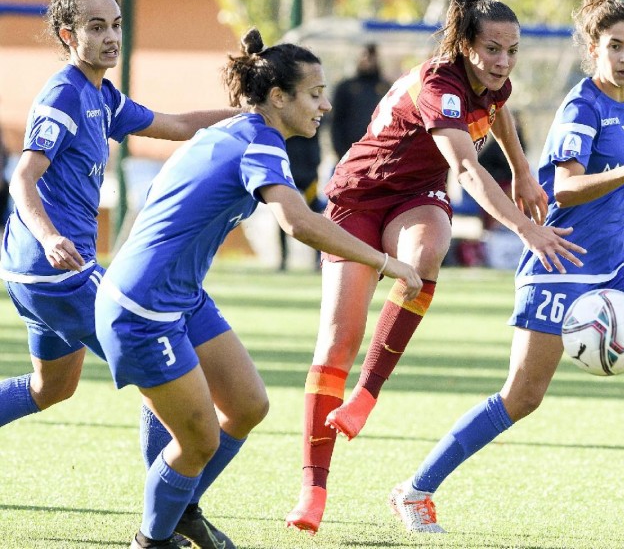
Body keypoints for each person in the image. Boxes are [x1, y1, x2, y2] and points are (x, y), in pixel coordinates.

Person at [388, 0, 624, 535]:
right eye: (614, 45)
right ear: (592, 48)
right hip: (560, 264)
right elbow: (565, 189)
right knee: (521, 397)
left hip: (614, 265)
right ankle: (415, 490)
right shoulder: (582, 105)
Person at [94, 28, 422, 549]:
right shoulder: (257, 141)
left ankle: (180, 506)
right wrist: (386, 260)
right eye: (314, 94)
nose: (326, 104)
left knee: (247, 405)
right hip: (142, 308)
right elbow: (298, 222)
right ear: (278, 97)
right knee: (198, 440)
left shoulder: (239, 129)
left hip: (179, 297)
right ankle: (152, 540)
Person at [284, 0, 585, 535]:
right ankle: (313, 487)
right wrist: (525, 229)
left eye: (512, 50)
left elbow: (500, 113)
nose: (503, 61)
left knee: (427, 250)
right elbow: (467, 170)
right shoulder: (439, 85)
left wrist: (522, 169)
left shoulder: (493, 83)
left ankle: (367, 395)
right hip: (357, 196)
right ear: (466, 45)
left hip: (416, 193)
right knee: (336, 342)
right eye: (492, 49)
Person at [0, 0, 235, 461]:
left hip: (33, 275)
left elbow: (175, 126)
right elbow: (23, 177)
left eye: (116, 25)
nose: (111, 36)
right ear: (68, 35)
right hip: (56, 270)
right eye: (96, 27)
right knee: (159, 365)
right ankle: (166, 518)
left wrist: (251, 116)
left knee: (51, 388)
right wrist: (50, 236)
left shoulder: (101, 97)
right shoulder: (63, 95)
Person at [328, 43, 391, 161]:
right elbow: (336, 122)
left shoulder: (386, 87)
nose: (367, 60)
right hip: (349, 152)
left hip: (378, 155)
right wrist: (341, 153)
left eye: (371, 56)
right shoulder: (345, 87)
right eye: (364, 55)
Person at [277, 132, 324, 271]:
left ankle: (318, 258)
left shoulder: (309, 123)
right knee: (283, 216)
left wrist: (314, 165)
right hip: (289, 176)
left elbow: (315, 146)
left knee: (315, 216)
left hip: (308, 177)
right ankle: (284, 258)